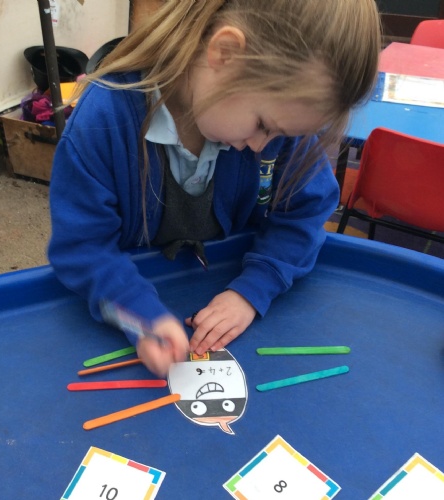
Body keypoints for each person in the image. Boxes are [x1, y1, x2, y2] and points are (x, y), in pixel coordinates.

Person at [48, 0, 381, 376]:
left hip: (222, 282)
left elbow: (306, 211)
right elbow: (82, 247)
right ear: (225, 54)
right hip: (131, 299)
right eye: (262, 125)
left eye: (281, 134)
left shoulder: (282, 117)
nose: (263, 145)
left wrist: (252, 289)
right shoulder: (103, 120)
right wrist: (137, 312)